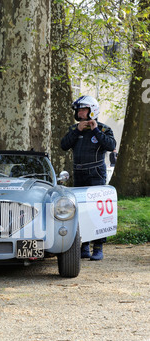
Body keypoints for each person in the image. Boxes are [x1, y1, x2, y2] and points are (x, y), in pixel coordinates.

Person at [61, 95, 116, 261]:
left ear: (92, 110)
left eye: (83, 110)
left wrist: (95, 130)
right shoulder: (74, 129)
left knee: (97, 211)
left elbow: (111, 145)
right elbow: (64, 145)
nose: (80, 113)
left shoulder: (104, 129)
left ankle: (98, 247)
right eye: (79, 110)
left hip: (96, 174)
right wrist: (78, 129)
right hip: (79, 174)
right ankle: (84, 245)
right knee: (81, 210)